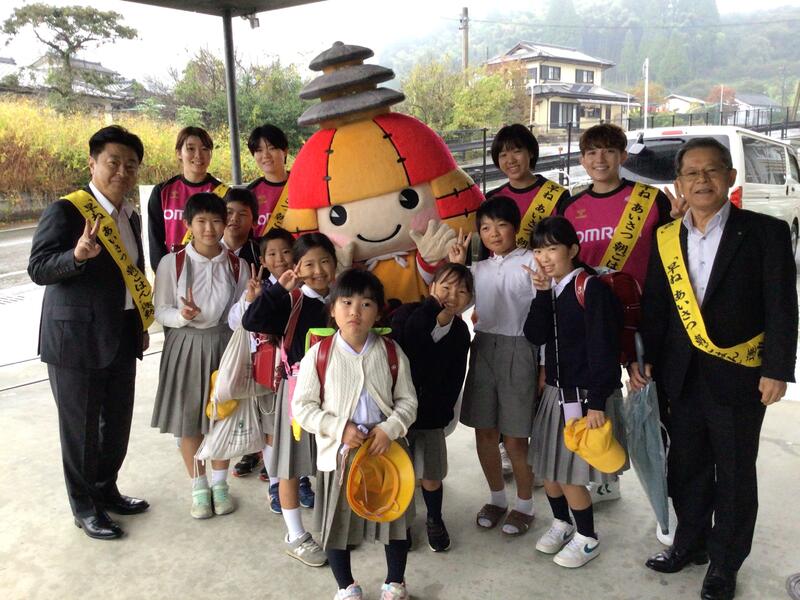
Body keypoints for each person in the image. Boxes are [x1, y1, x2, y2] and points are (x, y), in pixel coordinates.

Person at [637, 137, 797, 600]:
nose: (701, 180)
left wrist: (777, 369)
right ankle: (690, 544)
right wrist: (643, 361)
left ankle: (726, 563)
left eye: (711, 170)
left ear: (730, 176)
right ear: (679, 183)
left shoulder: (765, 232)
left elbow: (782, 306)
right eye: (692, 172)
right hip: (680, 375)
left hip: (740, 377)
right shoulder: (666, 237)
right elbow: (657, 306)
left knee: (734, 473)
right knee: (685, 466)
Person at [28, 125, 151, 540]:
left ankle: (106, 490)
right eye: (113, 162)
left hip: (121, 334)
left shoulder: (130, 216)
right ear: (93, 163)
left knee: (116, 425)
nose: (122, 171)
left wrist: (140, 323)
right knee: (80, 431)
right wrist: (77, 256)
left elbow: (133, 273)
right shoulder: (66, 211)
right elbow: (38, 267)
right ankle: (84, 508)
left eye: (130, 165)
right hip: (74, 342)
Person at [556, 123, 674, 508]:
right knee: (600, 398)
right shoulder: (569, 208)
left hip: (645, 319)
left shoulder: (650, 200)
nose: (600, 159)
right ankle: (608, 475)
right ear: (582, 159)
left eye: (609, 150)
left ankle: (666, 499)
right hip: (592, 322)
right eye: (591, 152)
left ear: (623, 156)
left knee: (653, 409)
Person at [292, 268, 418, 600]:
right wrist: (339, 429)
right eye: (346, 302)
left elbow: (408, 402)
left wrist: (389, 429)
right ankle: (346, 586)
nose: (355, 312)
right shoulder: (319, 355)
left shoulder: (391, 352)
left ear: (377, 312)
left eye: (366, 304)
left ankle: (395, 583)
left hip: (386, 452)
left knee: (395, 521)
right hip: (340, 456)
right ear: (332, 309)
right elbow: (302, 407)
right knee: (337, 526)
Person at [522, 216, 625, 568]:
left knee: (570, 474)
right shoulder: (551, 288)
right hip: (555, 392)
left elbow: (604, 348)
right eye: (538, 251)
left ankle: (587, 537)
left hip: (582, 395)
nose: (544, 258)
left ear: (573, 249)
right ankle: (562, 523)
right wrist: (540, 293)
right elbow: (535, 335)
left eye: (552, 249)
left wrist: (596, 402)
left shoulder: (590, 288)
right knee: (548, 468)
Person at [242, 233, 338, 568]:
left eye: (324, 261)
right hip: (297, 395)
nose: (318, 270)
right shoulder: (291, 300)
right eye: (309, 264)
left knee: (333, 462)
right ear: (296, 267)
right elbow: (251, 321)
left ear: (335, 263)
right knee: (290, 468)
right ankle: (295, 535)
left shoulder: (342, 300)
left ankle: (334, 525)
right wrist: (277, 290)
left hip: (336, 396)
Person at [151, 192, 248, 520]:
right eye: (201, 221)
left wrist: (252, 302)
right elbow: (160, 310)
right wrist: (182, 316)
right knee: (189, 418)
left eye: (216, 221)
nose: (209, 228)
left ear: (226, 223)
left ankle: (220, 485)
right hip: (185, 345)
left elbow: (239, 313)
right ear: (187, 224)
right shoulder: (172, 263)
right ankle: (199, 487)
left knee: (224, 415)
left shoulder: (237, 265)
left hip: (224, 344)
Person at [448, 196, 539, 537]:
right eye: (485, 228)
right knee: (485, 432)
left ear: (516, 227)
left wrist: (544, 365)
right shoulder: (477, 270)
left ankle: (525, 505)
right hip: (484, 348)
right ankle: (497, 499)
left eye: (501, 225)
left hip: (521, 348)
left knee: (515, 438)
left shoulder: (532, 261)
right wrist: (457, 267)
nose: (493, 233)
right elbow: (455, 305)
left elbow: (546, 316)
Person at [228, 227, 316, 514]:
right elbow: (239, 322)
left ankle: (301, 481)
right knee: (272, 431)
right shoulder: (262, 288)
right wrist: (251, 299)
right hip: (268, 373)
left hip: (297, 373)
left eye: (286, 251)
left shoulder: (306, 287)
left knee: (297, 430)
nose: (280, 258)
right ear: (263, 260)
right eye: (272, 254)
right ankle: (276, 485)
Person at [390, 263, 473, 553]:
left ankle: (435, 519)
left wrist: (444, 412)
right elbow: (411, 342)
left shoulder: (461, 332)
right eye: (445, 287)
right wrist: (430, 309)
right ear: (431, 287)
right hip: (399, 413)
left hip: (432, 416)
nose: (452, 295)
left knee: (432, 474)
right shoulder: (406, 314)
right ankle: (402, 523)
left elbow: (455, 377)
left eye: (461, 291)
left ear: (469, 299)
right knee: (400, 472)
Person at [147, 126, 228, 270]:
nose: (198, 155)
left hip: (213, 270)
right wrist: (162, 271)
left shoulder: (224, 193)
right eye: (191, 149)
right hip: (173, 270)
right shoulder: (162, 191)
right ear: (179, 153)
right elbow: (155, 240)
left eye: (205, 149)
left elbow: (228, 239)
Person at [487, 123, 569, 249]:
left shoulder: (558, 196)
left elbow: (565, 245)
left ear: (530, 152)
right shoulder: (492, 199)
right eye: (503, 155)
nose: (510, 160)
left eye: (517, 152)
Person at [246, 124, 291, 236]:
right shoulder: (250, 193)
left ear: (285, 151)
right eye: (259, 150)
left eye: (272, 148)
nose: (265, 155)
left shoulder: (302, 183)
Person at [222, 187, 261, 267]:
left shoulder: (261, 254)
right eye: (229, 212)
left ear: (254, 222)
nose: (234, 218)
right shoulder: (205, 249)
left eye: (242, 214)